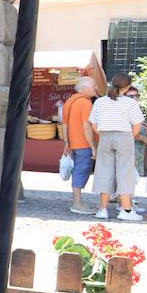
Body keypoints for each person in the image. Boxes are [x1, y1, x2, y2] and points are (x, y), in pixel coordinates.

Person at [87, 73, 144, 221]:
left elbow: (93, 124)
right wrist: (130, 136)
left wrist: (103, 132)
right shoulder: (130, 103)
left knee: (104, 171)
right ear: (127, 87)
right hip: (124, 136)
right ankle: (126, 210)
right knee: (125, 172)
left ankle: (102, 209)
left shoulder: (100, 102)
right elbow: (137, 125)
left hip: (105, 137)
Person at [60, 76, 98, 215]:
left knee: (78, 170)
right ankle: (77, 203)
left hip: (73, 143)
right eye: (93, 86)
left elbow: (64, 124)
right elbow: (86, 126)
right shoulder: (85, 103)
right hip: (83, 143)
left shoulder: (70, 101)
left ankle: (78, 201)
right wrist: (93, 146)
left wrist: (66, 142)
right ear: (84, 88)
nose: (96, 89)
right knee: (81, 171)